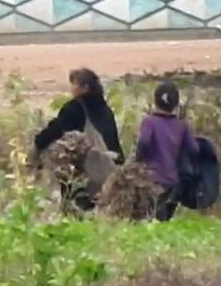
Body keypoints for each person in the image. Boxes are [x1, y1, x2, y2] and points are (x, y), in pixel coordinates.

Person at [33, 68, 124, 209]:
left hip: (83, 171)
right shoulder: (106, 110)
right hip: (109, 170)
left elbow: (55, 130)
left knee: (76, 208)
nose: (72, 88)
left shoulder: (74, 109)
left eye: (74, 84)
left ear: (85, 87)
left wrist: (37, 145)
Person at [135, 82, 199, 221]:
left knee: (151, 218)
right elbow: (194, 149)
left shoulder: (149, 122)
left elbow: (144, 142)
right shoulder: (182, 126)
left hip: (151, 179)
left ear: (155, 100)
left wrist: (137, 162)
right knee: (163, 217)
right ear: (176, 105)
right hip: (172, 181)